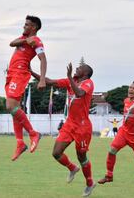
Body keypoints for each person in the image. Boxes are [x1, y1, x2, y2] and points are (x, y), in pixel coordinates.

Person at [32, 62, 96, 197]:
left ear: (85, 73)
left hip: (82, 127)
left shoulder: (88, 83)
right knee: (56, 153)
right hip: (69, 124)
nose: (76, 69)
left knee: (81, 157)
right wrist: (30, 71)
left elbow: (79, 93)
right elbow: (48, 81)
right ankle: (72, 168)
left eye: (79, 68)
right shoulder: (70, 81)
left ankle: (90, 183)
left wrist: (69, 77)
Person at [5, 15, 47, 161]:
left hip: (20, 73)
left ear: (34, 27)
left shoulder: (36, 41)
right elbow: (12, 43)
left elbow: (43, 59)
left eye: (27, 25)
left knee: (10, 106)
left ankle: (33, 133)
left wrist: (42, 79)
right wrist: (24, 40)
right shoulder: (24, 38)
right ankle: (20, 143)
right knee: (15, 110)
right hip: (11, 74)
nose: (24, 26)